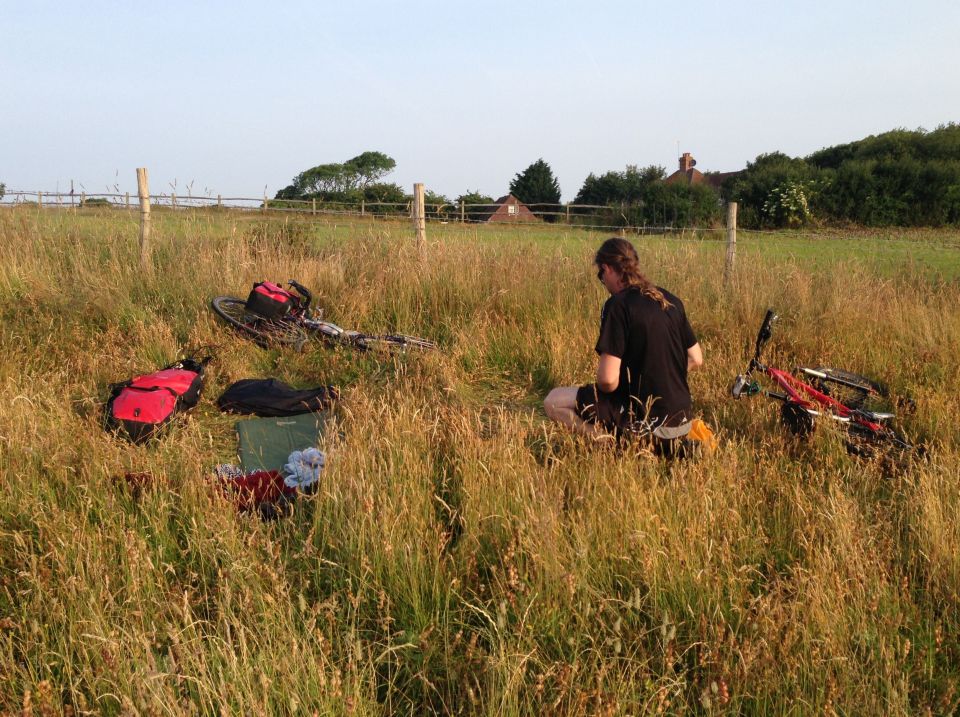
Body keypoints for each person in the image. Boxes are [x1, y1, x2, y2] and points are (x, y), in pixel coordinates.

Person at [544, 237, 704, 454]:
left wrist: (603, 395)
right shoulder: (669, 299)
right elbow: (696, 359)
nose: (603, 281)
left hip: (645, 424)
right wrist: (659, 379)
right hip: (682, 422)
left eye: (601, 275)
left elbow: (608, 381)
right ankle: (667, 448)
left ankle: (609, 443)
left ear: (608, 268)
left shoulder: (618, 305)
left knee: (553, 401)